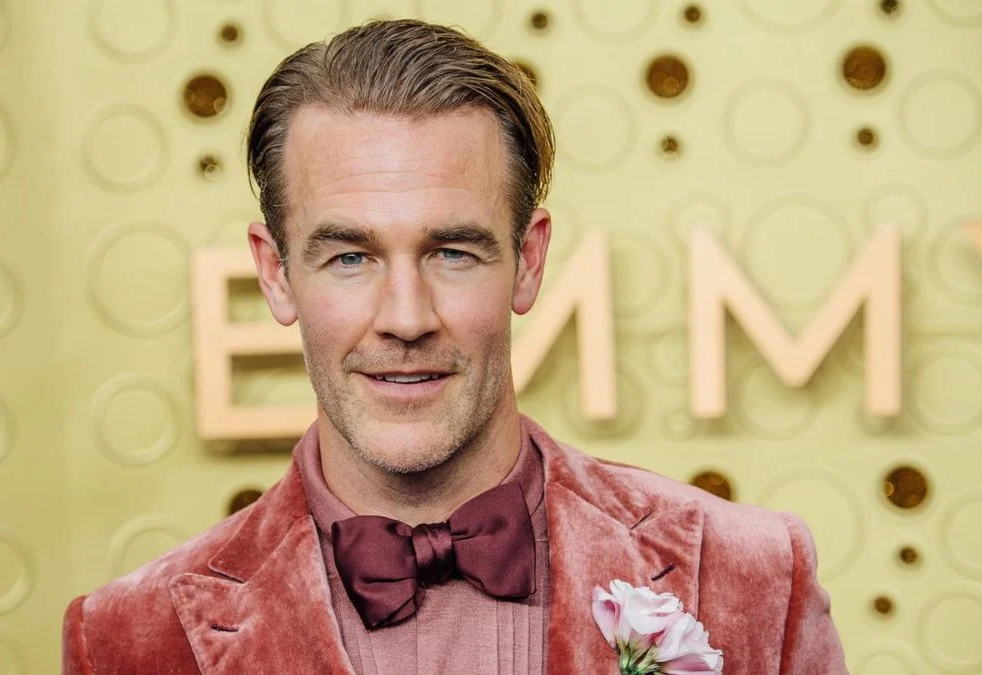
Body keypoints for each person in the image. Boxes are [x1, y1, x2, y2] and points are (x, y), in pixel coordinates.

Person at [62, 19, 847, 674]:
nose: (405, 317)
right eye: (350, 256)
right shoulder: (129, 638)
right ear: (275, 273)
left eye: (452, 251)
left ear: (528, 260)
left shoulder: (755, 575)